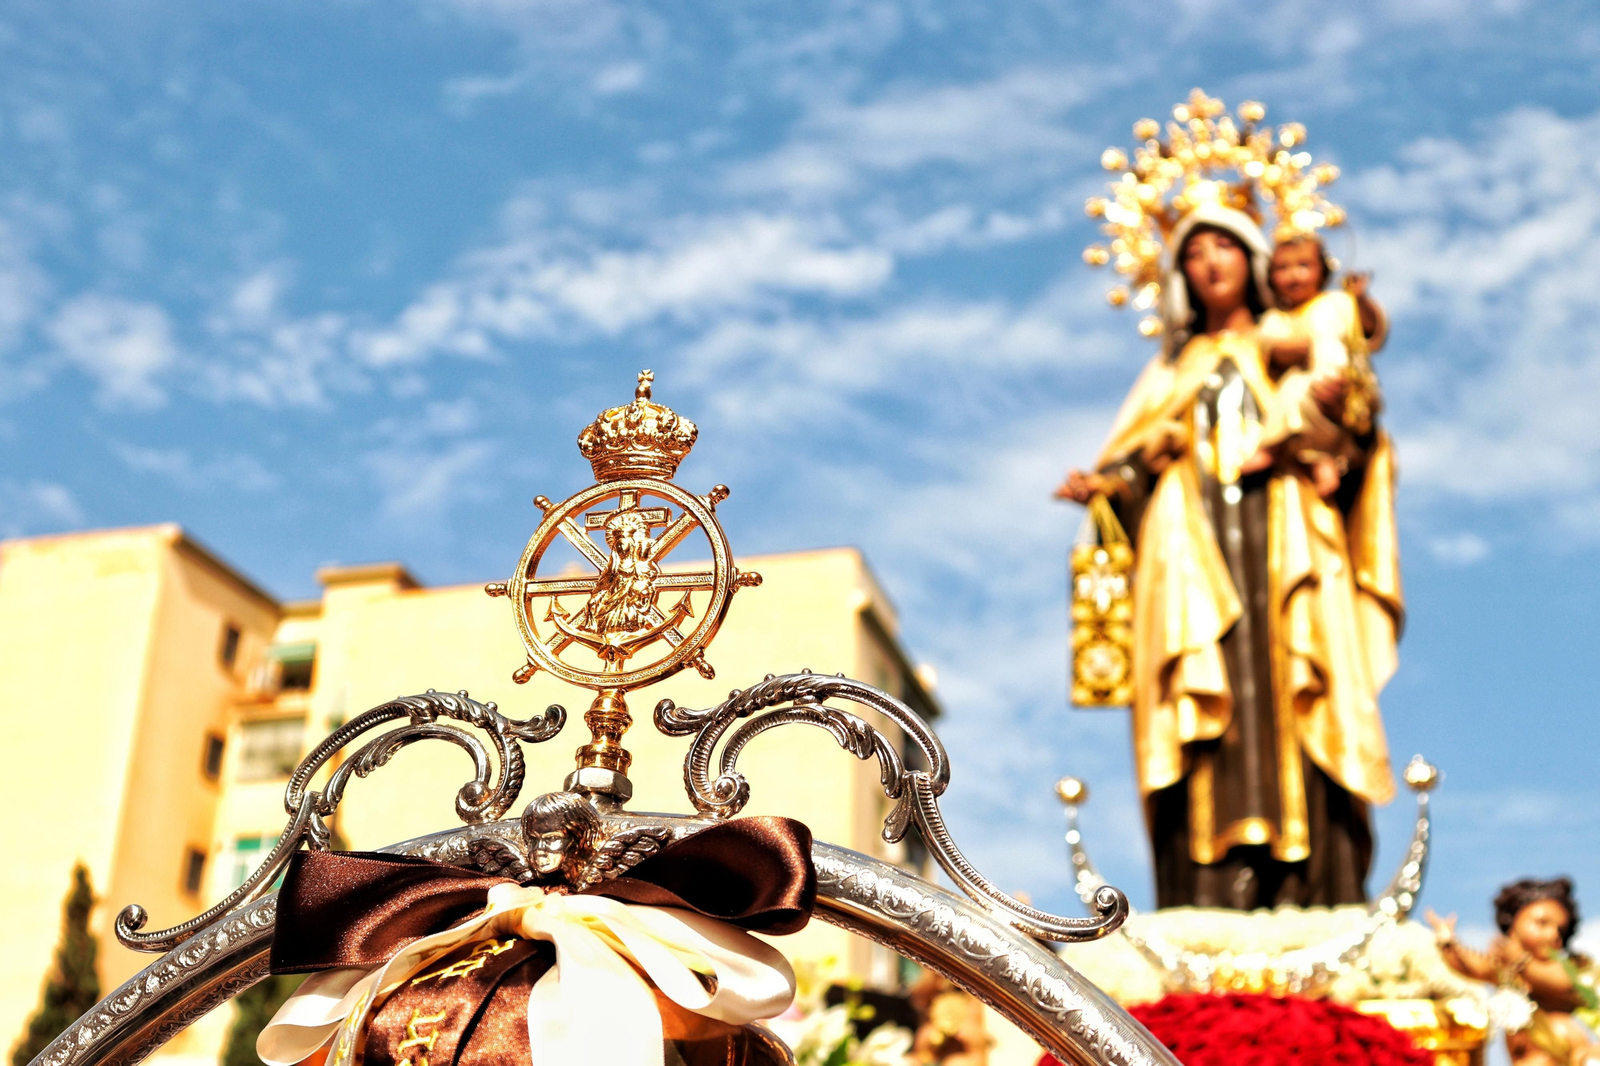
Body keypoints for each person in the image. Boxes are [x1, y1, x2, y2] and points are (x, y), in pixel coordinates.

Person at [1056, 199, 1403, 910]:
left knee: (1302, 688)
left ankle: (1316, 891)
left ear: (1255, 260)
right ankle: (1209, 895)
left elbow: (1355, 437)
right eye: (1193, 252)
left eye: (1224, 246)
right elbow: (1135, 460)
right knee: (1203, 704)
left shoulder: (1291, 342)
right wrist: (1107, 485)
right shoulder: (1173, 368)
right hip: (1189, 555)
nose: (1209, 262)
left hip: (1290, 545)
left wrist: (1343, 419)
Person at [1259, 235, 1389, 499]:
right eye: (1282, 268)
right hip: (1306, 382)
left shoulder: (1337, 302)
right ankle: (1302, 457)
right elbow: (1270, 349)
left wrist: (1359, 299)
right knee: (1293, 397)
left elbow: (1368, 329)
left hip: (1343, 380)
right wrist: (1300, 349)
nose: (1293, 275)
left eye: (1304, 265)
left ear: (1323, 271)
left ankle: (1329, 458)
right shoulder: (1277, 318)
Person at [1428, 878, 1600, 1066]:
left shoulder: (1568, 967)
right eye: (1542, 923)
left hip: (1568, 1054)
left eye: (1560, 930)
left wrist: (1520, 961)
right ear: (1513, 922)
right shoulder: (1505, 970)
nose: (1553, 934)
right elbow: (1473, 966)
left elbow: (1563, 983)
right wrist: (1447, 943)